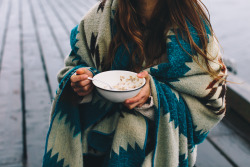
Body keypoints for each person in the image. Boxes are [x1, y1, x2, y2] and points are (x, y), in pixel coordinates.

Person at [43, 0, 227, 166]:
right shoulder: (99, 18)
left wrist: (152, 97)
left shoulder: (195, 30)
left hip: (161, 154)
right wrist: (84, 80)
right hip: (96, 153)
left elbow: (212, 105)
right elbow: (71, 69)